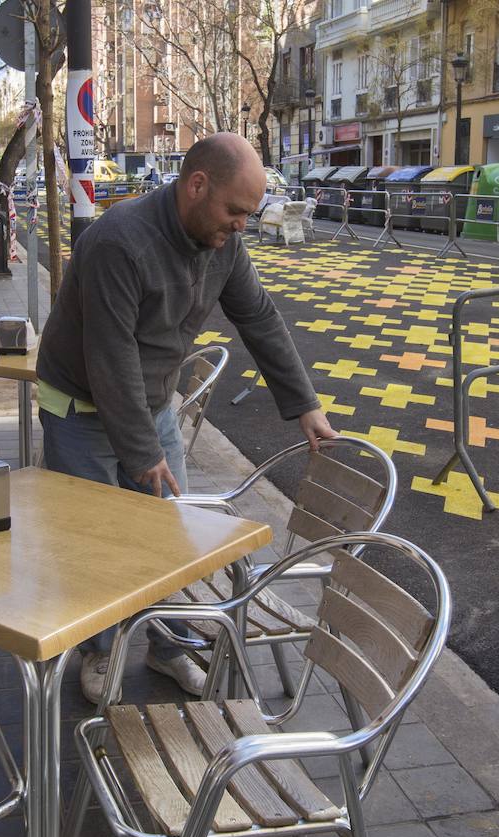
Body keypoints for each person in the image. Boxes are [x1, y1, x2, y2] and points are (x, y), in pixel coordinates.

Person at [35, 132, 337, 703]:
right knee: (96, 542)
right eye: (235, 210)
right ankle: (103, 653)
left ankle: (167, 646)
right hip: (78, 404)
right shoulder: (118, 241)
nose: (242, 225)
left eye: (249, 214)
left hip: (150, 402)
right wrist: (143, 455)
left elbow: (260, 318)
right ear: (197, 186)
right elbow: (111, 356)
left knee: (167, 534)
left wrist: (305, 405)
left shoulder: (224, 243)